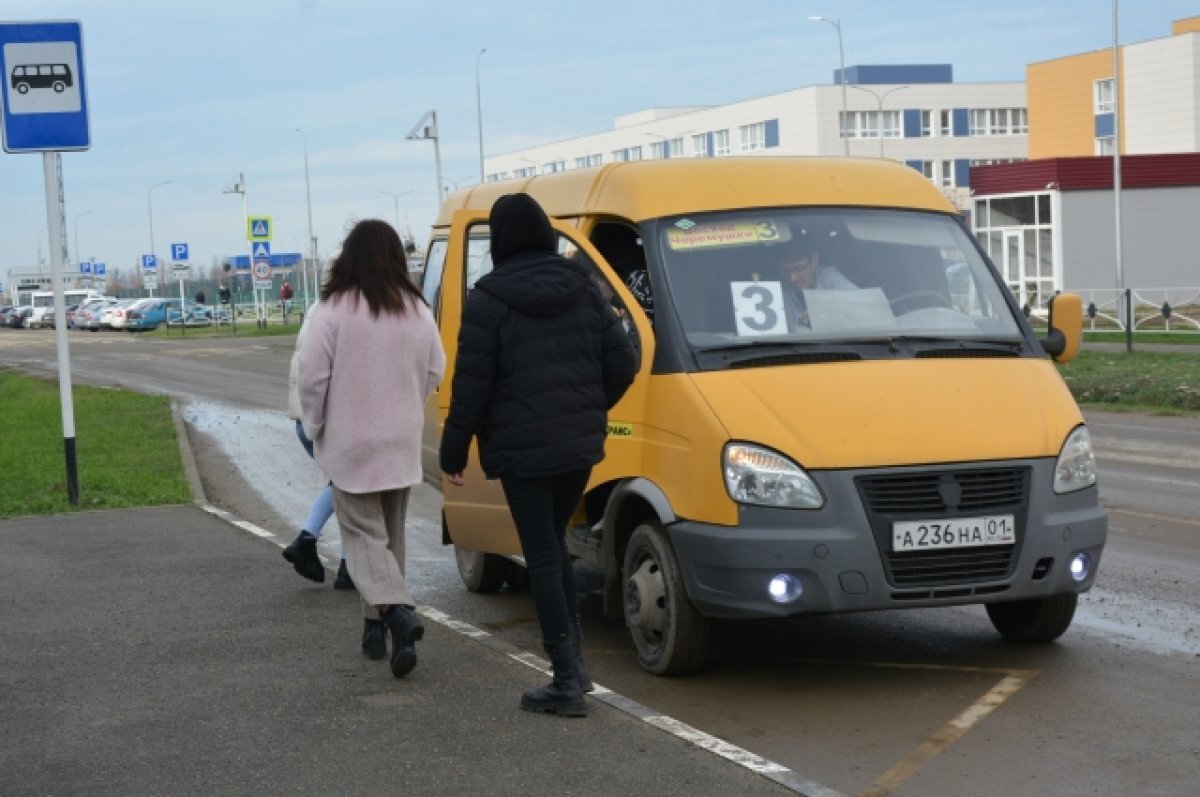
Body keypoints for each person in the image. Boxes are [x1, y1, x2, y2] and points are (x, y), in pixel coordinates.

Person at [440, 193, 637, 717]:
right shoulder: (585, 289)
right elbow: (623, 364)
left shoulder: (487, 300)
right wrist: (590, 409)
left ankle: (567, 679)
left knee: (544, 554)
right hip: (577, 448)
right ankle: (575, 667)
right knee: (553, 546)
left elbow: (471, 388)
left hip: (523, 451)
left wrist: (453, 451)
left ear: (501, 239)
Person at [298, 220, 445, 679]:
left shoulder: (332, 309)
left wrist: (316, 422)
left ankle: (397, 611)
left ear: (349, 256)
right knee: (390, 536)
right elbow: (435, 369)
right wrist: (406, 405)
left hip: (351, 441)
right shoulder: (416, 308)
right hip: (400, 439)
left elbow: (312, 377)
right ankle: (378, 632)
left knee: (362, 537)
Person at [281, 301, 355, 591]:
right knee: (348, 485)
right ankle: (309, 541)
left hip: (304, 419)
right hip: (323, 422)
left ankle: (345, 566)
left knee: (343, 486)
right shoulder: (344, 312)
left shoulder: (319, 308)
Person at [779, 234, 856, 329]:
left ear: (814, 260)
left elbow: (859, 301)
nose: (792, 279)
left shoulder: (828, 276)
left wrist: (822, 308)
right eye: (786, 271)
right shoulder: (778, 291)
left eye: (799, 268)